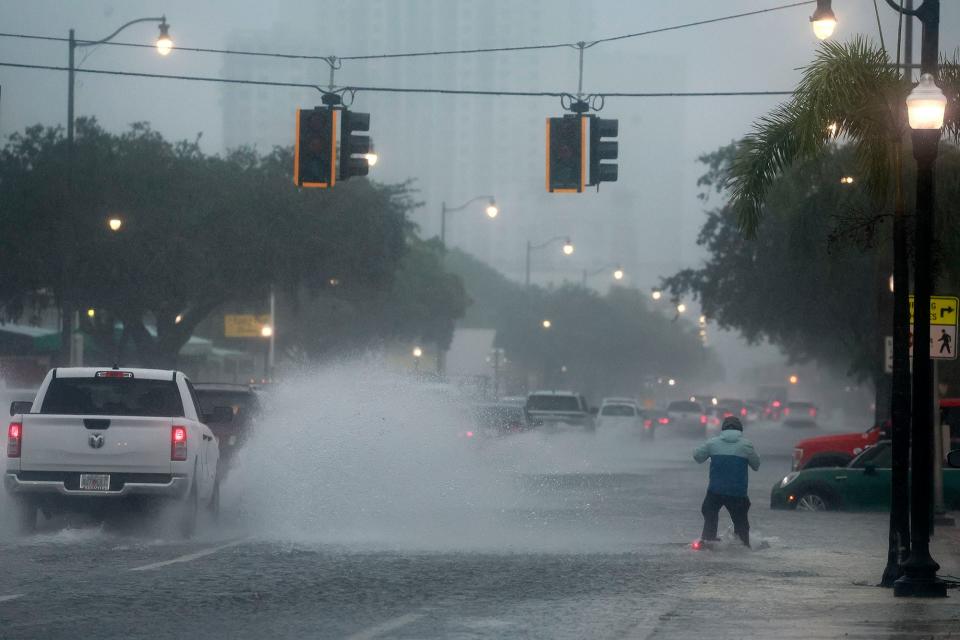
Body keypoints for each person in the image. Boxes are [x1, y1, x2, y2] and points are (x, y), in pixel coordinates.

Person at [693, 416, 760, 547]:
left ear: (723, 429)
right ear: (740, 430)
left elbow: (697, 456)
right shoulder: (746, 445)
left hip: (715, 492)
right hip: (738, 493)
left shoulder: (712, 443)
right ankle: (743, 545)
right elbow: (756, 465)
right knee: (741, 523)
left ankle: (708, 542)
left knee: (709, 514)